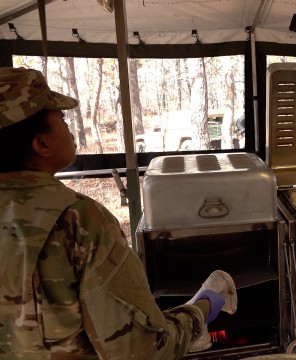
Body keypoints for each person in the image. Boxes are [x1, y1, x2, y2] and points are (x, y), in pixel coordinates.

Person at [0, 67, 237, 358]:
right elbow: (142, 350)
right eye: (61, 119)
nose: (70, 127)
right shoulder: (78, 221)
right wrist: (201, 310)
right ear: (41, 143)